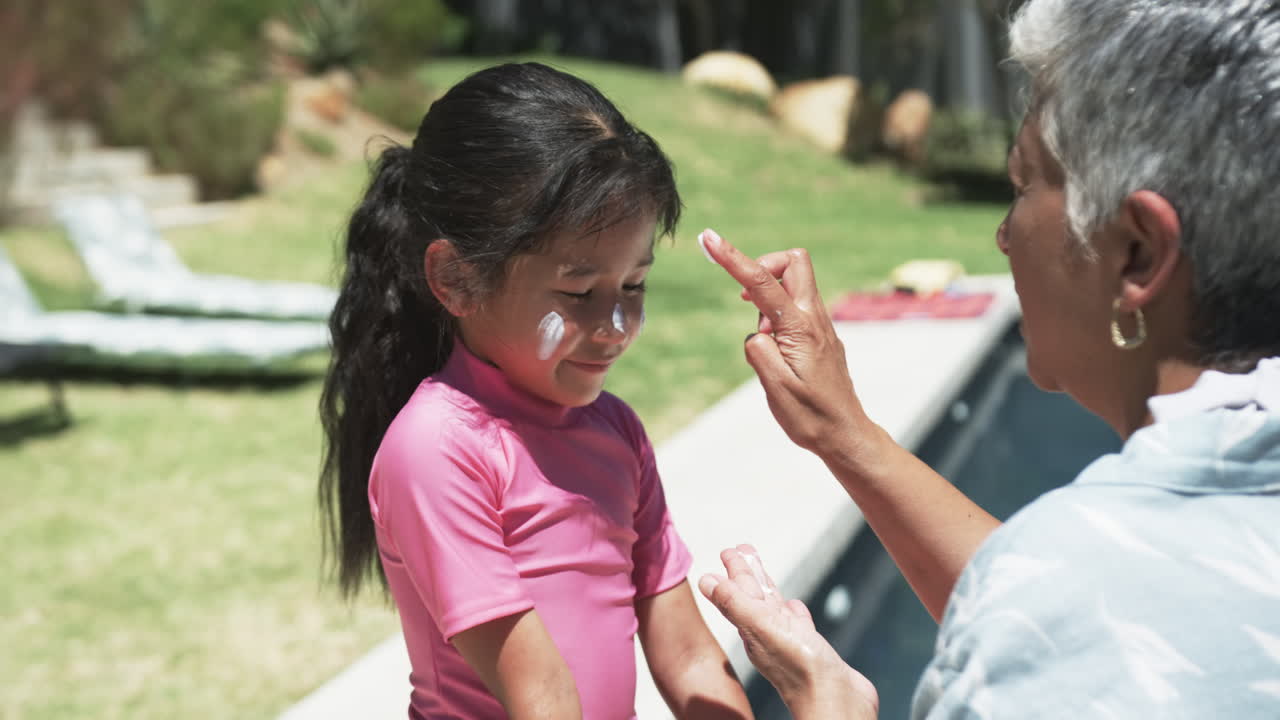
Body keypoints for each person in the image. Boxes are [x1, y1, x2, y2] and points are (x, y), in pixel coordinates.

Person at [694, 0, 1280, 718]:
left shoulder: (1045, 638)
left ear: (1138, 254)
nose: (1005, 235)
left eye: (1024, 182)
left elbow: (1066, 616)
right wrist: (843, 431)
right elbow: (1095, 590)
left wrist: (830, 702)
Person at [319, 63, 752, 720]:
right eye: (579, 293)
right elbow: (542, 697)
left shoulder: (616, 433)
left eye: (633, 285)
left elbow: (690, 658)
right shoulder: (437, 451)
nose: (615, 325)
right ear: (457, 279)